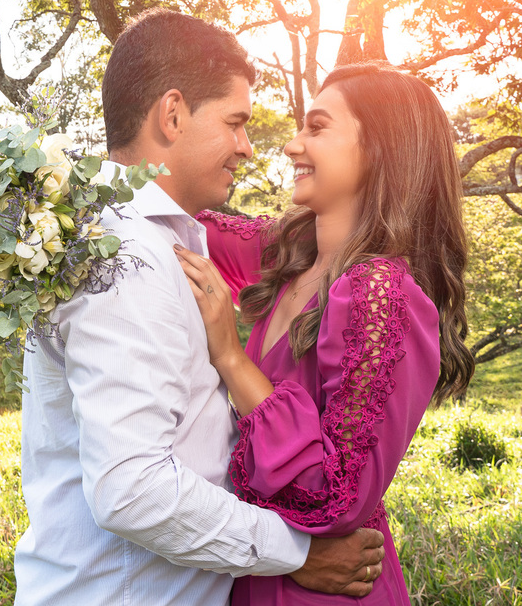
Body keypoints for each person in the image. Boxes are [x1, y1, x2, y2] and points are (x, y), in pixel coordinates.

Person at [14, 10, 386, 605]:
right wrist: (297, 552)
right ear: (173, 113)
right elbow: (131, 488)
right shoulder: (127, 255)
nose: (246, 147)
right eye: (236, 122)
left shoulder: (134, 238)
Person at [174, 62, 475, 605]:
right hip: (257, 564)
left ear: (379, 149)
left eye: (316, 127)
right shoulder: (291, 254)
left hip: (323, 589)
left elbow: (335, 495)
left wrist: (231, 358)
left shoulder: (380, 291)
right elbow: (179, 214)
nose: (291, 145)